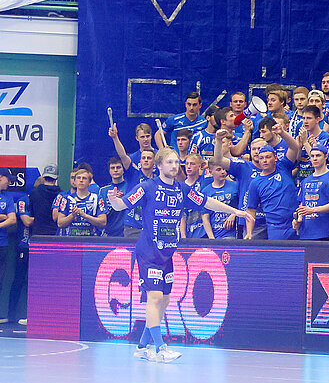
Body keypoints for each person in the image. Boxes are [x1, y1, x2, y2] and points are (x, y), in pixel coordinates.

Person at [105, 150, 251, 360]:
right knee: (154, 298)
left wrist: (234, 211)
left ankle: (142, 347)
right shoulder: (147, 187)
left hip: (168, 252)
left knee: (164, 299)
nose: (175, 165)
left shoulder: (182, 189)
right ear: (160, 166)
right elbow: (122, 204)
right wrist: (113, 200)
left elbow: (206, 202)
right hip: (148, 251)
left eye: (176, 162)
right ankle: (160, 348)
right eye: (170, 162)